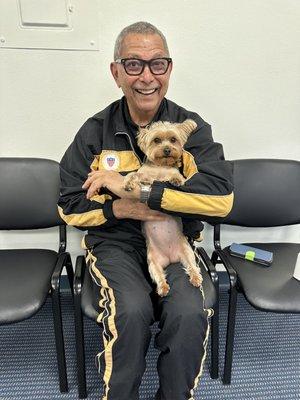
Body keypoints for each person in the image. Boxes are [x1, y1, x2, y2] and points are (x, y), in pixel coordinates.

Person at [58, 21, 234, 400]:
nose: (147, 77)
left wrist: (142, 195)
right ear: (116, 72)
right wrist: (123, 208)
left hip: (176, 239)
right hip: (116, 243)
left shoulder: (192, 130)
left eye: (158, 64)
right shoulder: (94, 131)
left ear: (169, 69)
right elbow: (70, 204)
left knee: (190, 311)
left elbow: (220, 199)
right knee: (130, 312)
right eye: (133, 64)